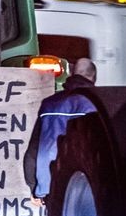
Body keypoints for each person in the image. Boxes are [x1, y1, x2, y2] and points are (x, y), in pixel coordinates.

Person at [22, 57, 99, 199]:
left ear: (70, 75)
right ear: (94, 78)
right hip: (85, 186)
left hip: (50, 185)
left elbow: (33, 150)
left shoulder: (49, 103)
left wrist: (34, 188)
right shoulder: (98, 105)